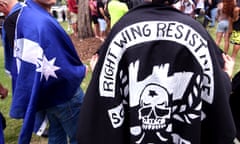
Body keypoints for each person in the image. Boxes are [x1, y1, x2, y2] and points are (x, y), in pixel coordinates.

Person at [77, 0, 236, 143]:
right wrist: (225, 77)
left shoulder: (120, 31)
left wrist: (98, 71)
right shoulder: (196, 30)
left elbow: (104, 98)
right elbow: (213, 92)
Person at [9, 0, 87, 143]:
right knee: (82, 134)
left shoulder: (29, 15)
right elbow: (58, 62)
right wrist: (80, 70)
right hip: (63, 91)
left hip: (47, 91)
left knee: (56, 132)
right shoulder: (38, 20)